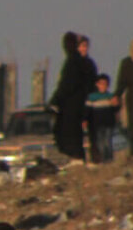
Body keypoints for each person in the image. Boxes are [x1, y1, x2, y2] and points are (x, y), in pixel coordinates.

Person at [50, 32, 94, 161]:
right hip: (76, 104)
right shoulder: (79, 61)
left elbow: (67, 84)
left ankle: (76, 158)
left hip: (71, 105)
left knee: (69, 133)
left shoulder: (73, 62)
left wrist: (56, 100)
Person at [86, 74, 121, 164]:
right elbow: (87, 110)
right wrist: (85, 120)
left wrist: (116, 104)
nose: (103, 86)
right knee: (100, 142)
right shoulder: (92, 97)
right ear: (97, 84)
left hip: (109, 123)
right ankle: (102, 158)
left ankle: (109, 159)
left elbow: (116, 109)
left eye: (105, 84)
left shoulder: (110, 96)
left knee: (107, 141)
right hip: (97, 124)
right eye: (101, 84)